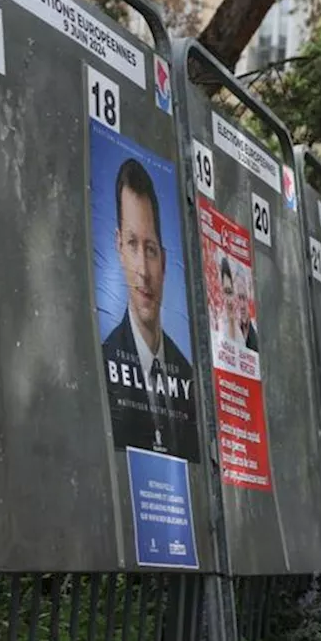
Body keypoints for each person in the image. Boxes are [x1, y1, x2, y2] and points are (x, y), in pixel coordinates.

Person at [102, 158, 198, 460]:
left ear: (165, 262)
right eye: (132, 244)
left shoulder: (188, 375)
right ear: (118, 248)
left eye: (151, 249)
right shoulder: (103, 365)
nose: (143, 269)